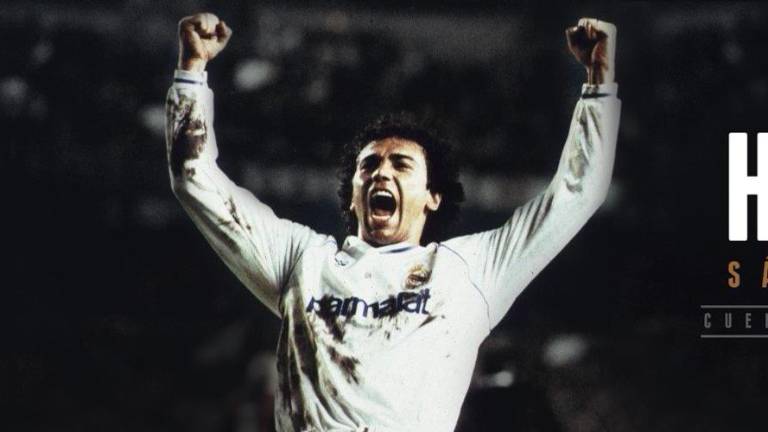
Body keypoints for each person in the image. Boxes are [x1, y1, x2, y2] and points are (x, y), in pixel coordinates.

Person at [165, 12, 620, 432]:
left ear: (433, 196)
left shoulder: (470, 270)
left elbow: (577, 192)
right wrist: (191, 70)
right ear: (353, 194)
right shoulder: (302, 261)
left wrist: (599, 84)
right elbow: (194, 180)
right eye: (369, 165)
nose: (380, 173)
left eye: (401, 165)